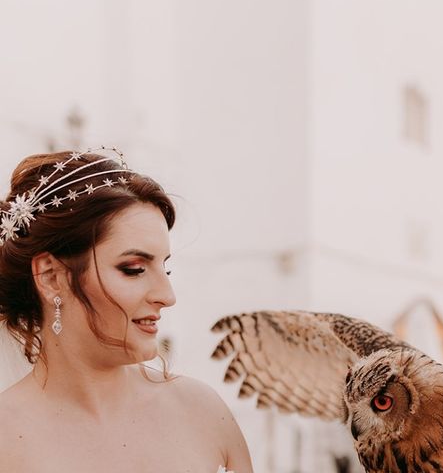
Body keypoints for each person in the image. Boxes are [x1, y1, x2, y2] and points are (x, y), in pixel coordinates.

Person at [0, 148, 253, 472]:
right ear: (51, 277)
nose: (167, 295)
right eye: (134, 269)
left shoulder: (203, 412)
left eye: (166, 269)